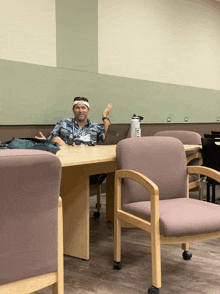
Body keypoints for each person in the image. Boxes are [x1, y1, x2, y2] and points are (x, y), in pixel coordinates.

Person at [35, 97, 112, 146]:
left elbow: (107, 139)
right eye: (77, 108)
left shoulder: (96, 127)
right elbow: (52, 139)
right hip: (67, 160)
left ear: (88, 110)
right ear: (73, 110)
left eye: (83, 108)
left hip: (89, 159)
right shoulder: (63, 123)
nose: (80, 111)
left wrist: (105, 116)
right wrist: (45, 142)